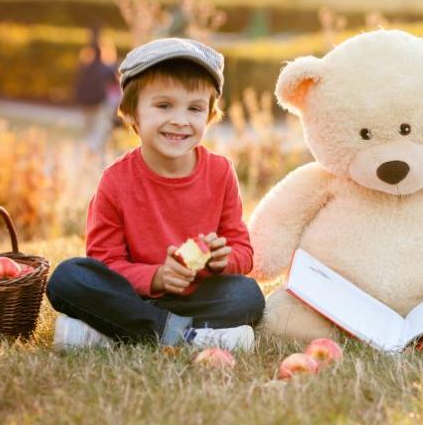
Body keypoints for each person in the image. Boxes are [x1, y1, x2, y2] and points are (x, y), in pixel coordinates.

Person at [47, 38, 265, 351]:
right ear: (132, 113)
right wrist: (158, 277)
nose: (180, 120)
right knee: (68, 278)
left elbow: (243, 252)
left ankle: (111, 333)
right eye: (164, 105)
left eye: (194, 108)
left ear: (209, 115)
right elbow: (106, 263)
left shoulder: (220, 172)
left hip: (195, 296)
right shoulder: (115, 181)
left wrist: (222, 260)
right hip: (132, 293)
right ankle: (183, 335)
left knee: (247, 295)